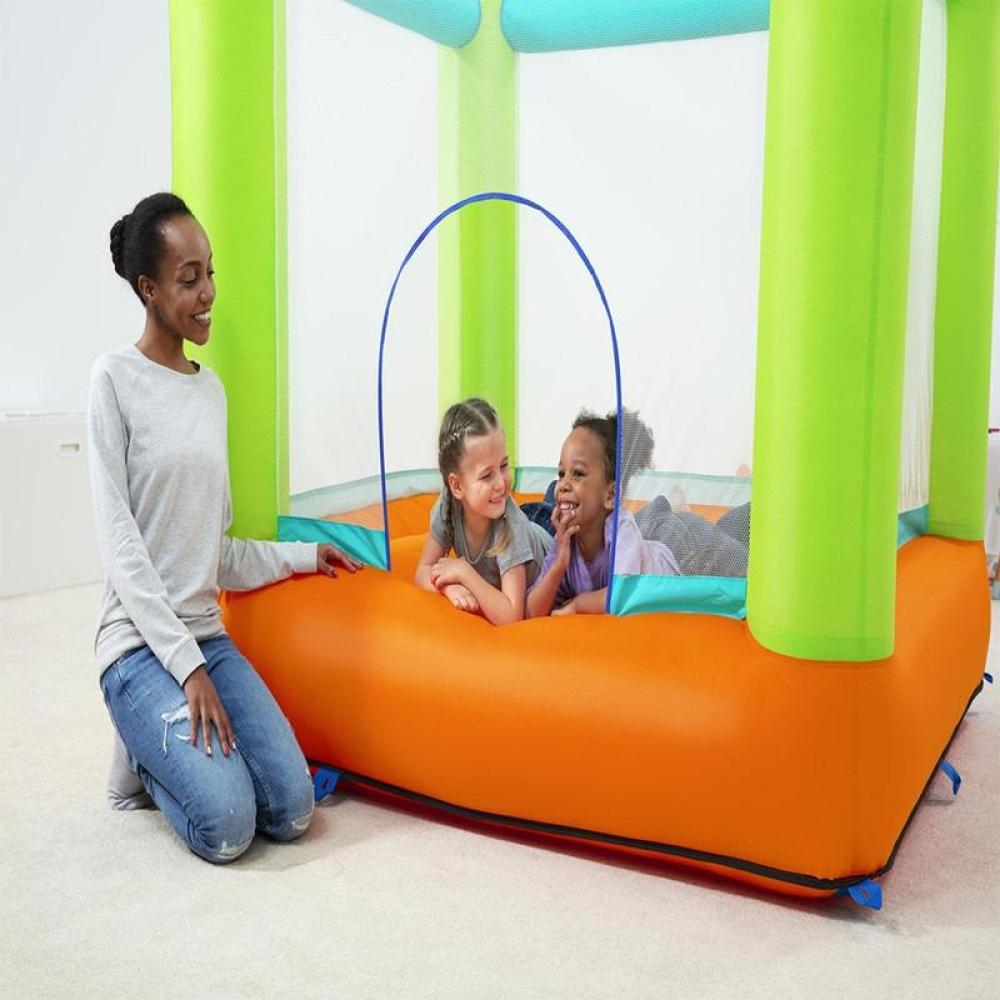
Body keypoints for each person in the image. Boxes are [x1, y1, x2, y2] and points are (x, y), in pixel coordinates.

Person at [91, 192, 362, 863]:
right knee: (227, 828)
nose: (208, 292)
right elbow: (123, 551)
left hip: (206, 639)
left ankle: (170, 747)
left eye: (210, 272)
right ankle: (141, 758)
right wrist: (185, 670)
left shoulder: (209, 392)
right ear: (149, 289)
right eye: (189, 279)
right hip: (138, 649)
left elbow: (214, 552)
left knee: (292, 809)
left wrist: (305, 556)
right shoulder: (113, 381)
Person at [526, 409, 681, 617]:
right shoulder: (564, 541)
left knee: (676, 523)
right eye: (561, 473)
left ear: (611, 495)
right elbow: (531, 613)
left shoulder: (620, 528)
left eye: (578, 474)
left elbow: (623, 595)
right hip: (643, 537)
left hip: (672, 559)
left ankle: (676, 506)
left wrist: (577, 605)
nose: (562, 485)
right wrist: (558, 567)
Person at [414, 398, 550, 624]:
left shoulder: (509, 527)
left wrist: (464, 572)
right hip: (531, 521)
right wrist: (448, 587)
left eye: (504, 466)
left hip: (550, 538)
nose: (501, 483)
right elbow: (422, 570)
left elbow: (512, 615)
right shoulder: (448, 506)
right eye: (487, 476)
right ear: (457, 486)